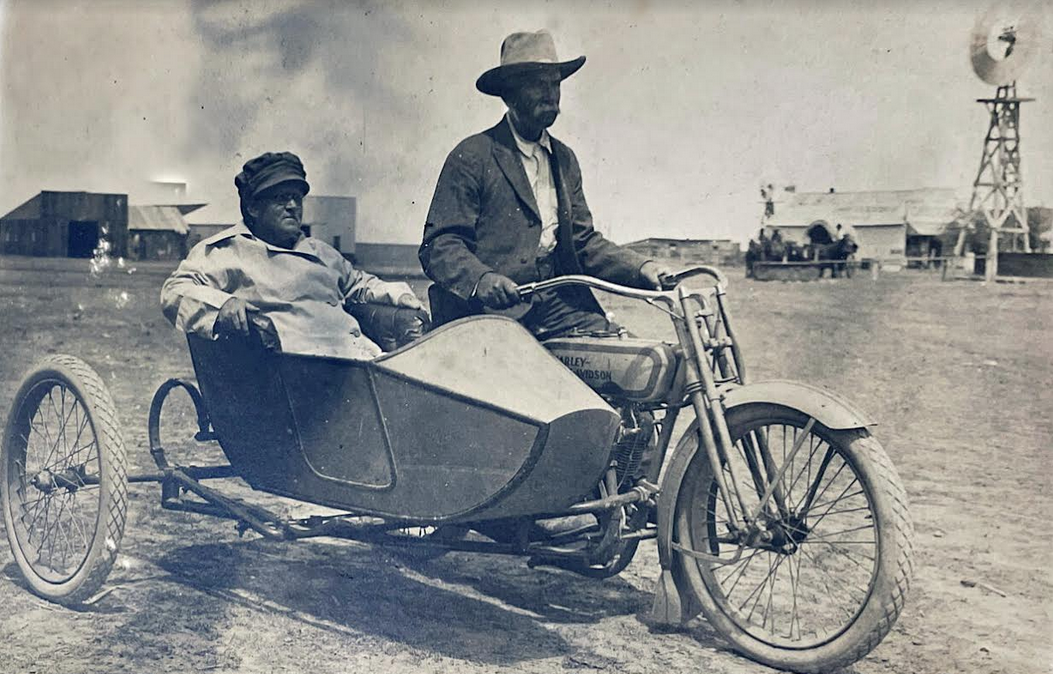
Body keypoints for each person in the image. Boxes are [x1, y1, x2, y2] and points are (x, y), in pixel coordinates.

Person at [419, 30, 668, 340]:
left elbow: (582, 242)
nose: (550, 94)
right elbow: (439, 245)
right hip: (484, 314)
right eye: (537, 83)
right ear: (509, 94)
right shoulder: (472, 155)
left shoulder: (564, 159)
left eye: (555, 83)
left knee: (629, 361)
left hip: (556, 307)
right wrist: (482, 279)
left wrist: (641, 267)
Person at [161, 151, 421, 360]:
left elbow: (358, 283)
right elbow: (175, 290)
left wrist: (400, 295)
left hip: (358, 359)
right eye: (281, 198)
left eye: (297, 198)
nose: (293, 206)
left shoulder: (320, 252)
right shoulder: (226, 251)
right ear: (253, 207)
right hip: (298, 375)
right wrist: (223, 305)